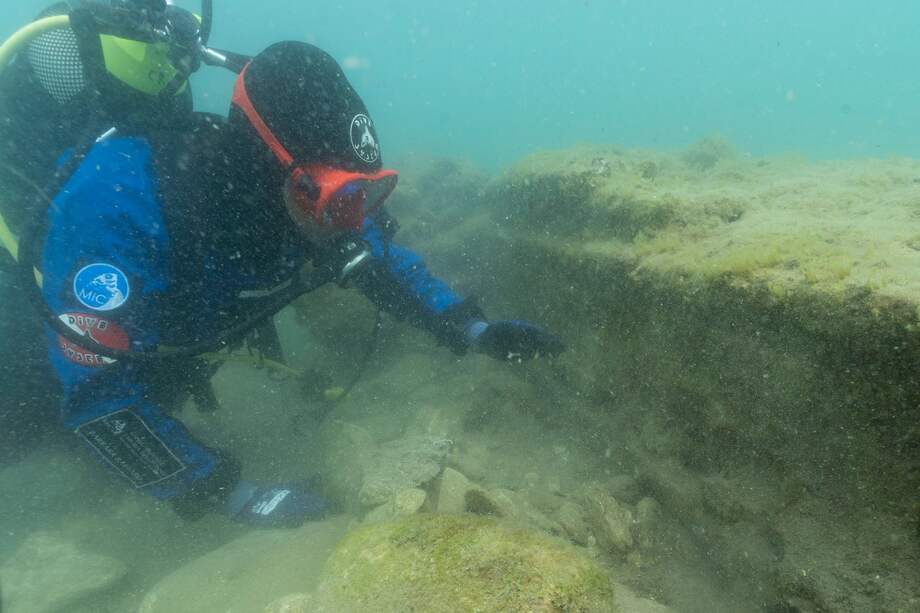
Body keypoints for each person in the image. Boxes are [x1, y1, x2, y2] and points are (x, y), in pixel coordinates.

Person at [35, 41, 565, 527]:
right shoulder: (113, 206)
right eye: (341, 202)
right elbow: (97, 399)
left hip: (182, 332)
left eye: (366, 196)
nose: (354, 223)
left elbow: (382, 259)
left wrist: (470, 328)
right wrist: (231, 495)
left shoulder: (306, 199)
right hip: (41, 352)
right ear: (270, 170)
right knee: (35, 440)